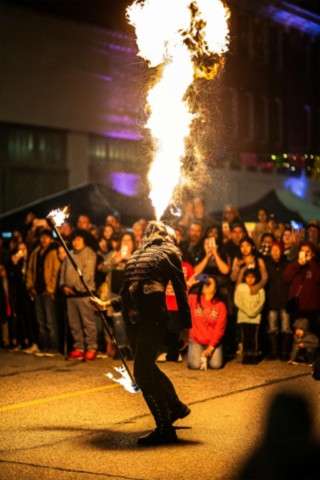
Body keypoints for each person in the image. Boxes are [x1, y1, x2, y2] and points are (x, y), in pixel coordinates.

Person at [92, 221, 191, 446]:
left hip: (155, 321)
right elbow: (127, 293)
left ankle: (165, 428)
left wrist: (185, 327)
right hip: (138, 322)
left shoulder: (169, 252)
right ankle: (176, 406)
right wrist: (105, 303)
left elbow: (180, 291)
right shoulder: (136, 256)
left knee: (143, 374)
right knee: (148, 368)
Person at [59, 230, 98, 361]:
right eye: (74, 240)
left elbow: (87, 274)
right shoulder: (69, 255)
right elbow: (63, 272)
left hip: (83, 294)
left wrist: (74, 287)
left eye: (79, 239)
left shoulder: (90, 254)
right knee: (74, 323)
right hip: (70, 296)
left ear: (84, 240)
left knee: (88, 323)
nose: (76, 242)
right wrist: (64, 286)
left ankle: (92, 347)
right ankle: (79, 347)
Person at [26, 229, 60, 356]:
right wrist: (30, 286)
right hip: (37, 291)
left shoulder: (52, 253)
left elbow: (55, 272)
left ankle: (53, 347)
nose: (43, 240)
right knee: (41, 321)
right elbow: (30, 270)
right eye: (42, 237)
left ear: (50, 239)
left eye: (46, 237)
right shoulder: (35, 253)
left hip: (48, 292)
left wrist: (50, 289)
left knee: (50, 321)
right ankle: (44, 346)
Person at [187, 275, 227, 370]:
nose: (206, 285)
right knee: (194, 365)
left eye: (209, 283)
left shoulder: (220, 306)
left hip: (212, 341)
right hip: (196, 340)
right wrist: (189, 285)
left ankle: (207, 355)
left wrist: (211, 347)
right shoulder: (194, 298)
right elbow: (180, 299)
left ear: (216, 289)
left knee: (216, 365)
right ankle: (201, 355)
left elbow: (219, 329)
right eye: (205, 283)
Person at [265, 243, 291, 360]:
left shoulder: (287, 264)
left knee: (285, 328)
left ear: (281, 251)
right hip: (272, 300)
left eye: (277, 250)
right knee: (272, 328)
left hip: (285, 300)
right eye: (273, 250)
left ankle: (284, 353)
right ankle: (273, 352)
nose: (275, 252)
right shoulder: (267, 264)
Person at [234, 269, 266, 364]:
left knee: (254, 338)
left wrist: (253, 312)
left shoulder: (260, 289)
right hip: (243, 317)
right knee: (245, 337)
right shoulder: (240, 287)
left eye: (252, 277)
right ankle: (245, 357)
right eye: (248, 277)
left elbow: (261, 302)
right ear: (245, 278)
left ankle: (253, 358)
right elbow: (237, 301)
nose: (250, 279)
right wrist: (247, 311)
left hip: (255, 318)